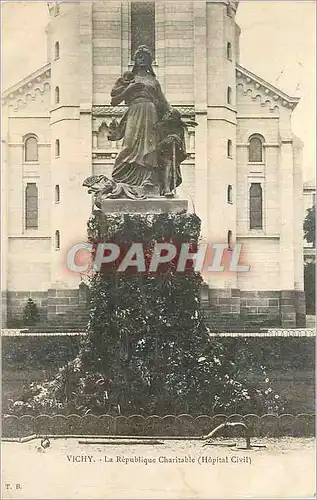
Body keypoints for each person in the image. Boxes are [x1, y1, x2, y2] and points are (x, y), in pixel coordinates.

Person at [110, 45, 171, 188]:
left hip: (151, 113)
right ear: (135, 60)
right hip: (134, 111)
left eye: (145, 57)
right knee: (129, 145)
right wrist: (129, 89)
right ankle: (120, 178)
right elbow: (114, 100)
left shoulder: (153, 81)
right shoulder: (128, 79)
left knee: (150, 146)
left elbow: (163, 103)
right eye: (139, 56)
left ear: (150, 61)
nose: (142, 59)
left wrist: (175, 118)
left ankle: (148, 179)